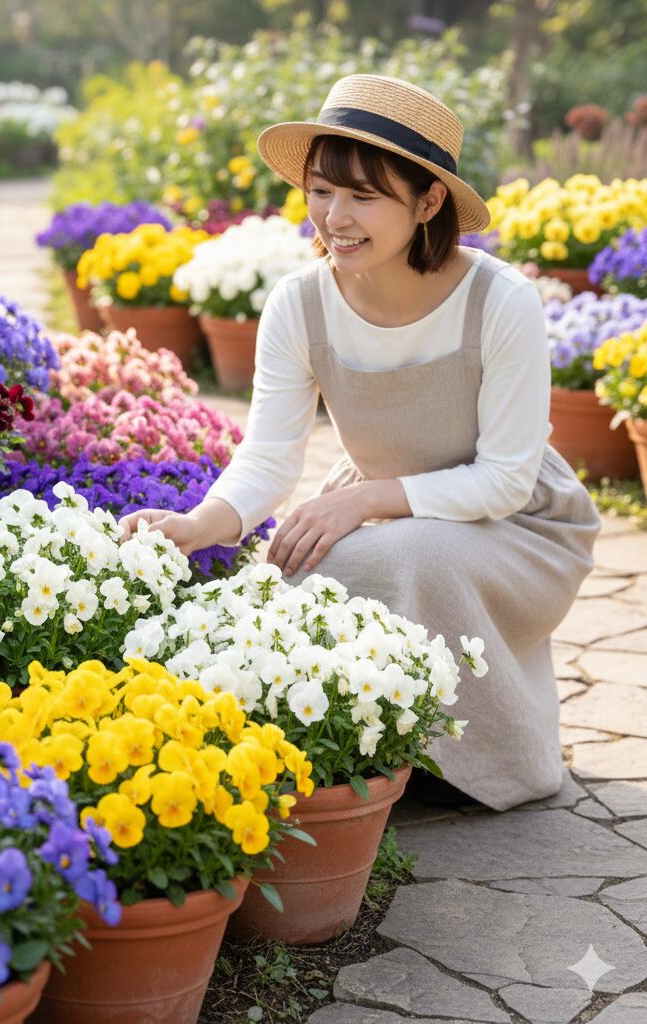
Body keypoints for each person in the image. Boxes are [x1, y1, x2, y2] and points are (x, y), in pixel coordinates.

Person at [119, 74, 600, 811]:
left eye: (363, 197)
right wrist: (194, 526)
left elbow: (506, 478)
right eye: (320, 191)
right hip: (390, 511)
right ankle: (361, 751)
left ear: (429, 200)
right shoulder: (299, 302)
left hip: (519, 526)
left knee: (390, 552)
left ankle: (486, 763)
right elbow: (270, 457)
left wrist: (371, 498)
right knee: (299, 571)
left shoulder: (501, 301)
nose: (333, 219)